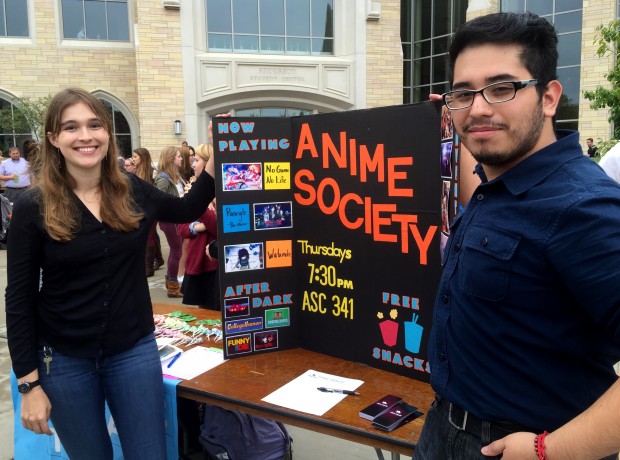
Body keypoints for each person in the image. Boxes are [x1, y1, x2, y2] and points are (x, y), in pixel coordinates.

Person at [414, 12, 620, 460]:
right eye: (464, 93)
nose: (480, 108)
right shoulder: (500, 183)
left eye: (502, 88)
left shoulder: (583, 207)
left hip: (526, 446)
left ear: (548, 98)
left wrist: (551, 450)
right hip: (443, 430)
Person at [5, 87, 215, 458]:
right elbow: (18, 297)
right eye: (71, 127)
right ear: (54, 139)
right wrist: (28, 384)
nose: (85, 136)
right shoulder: (32, 207)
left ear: (107, 134)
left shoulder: (131, 189)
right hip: (64, 358)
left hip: (132, 351)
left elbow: (187, 210)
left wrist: (216, 154)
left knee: (149, 454)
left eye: (95, 124)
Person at [178, 144, 219, 310]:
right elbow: (182, 229)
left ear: (209, 163)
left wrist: (198, 204)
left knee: (215, 318)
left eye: (197, 160)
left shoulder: (223, 192)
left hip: (213, 267)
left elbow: (218, 228)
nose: (193, 164)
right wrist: (199, 226)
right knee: (203, 318)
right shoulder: (191, 188)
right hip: (196, 264)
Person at [154, 146, 187, 297]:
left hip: (177, 218)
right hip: (169, 219)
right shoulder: (163, 178)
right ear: (171, 158)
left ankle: (170, 280)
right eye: (179, 156)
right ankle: (173, 286)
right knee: (177, 251)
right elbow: (159, 200)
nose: (181, 158)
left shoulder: (176, 176)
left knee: (175, 250)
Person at [133, 147, 165, 273]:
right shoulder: (136, 172)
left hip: (151, 208)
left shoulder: (153, 173)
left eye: (135, 156)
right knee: (149, 235)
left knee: (149, 236)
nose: (134, 159)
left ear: (142, 157)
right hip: (140, 208)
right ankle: (158, 258)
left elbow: (157, 192)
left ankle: (148, 267)